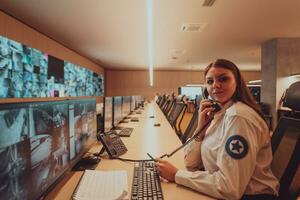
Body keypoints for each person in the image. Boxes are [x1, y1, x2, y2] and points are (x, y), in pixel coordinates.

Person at [155, 59, 279, 200]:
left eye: (223, 79)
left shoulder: (238, 117)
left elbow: (230, 188)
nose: (215, 85)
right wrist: (200, 132)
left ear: (237, 82)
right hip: (226, 191)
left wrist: (176, 175)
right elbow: (190, 164)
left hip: (251, 195)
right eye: (209, 81)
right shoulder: (219, 114)